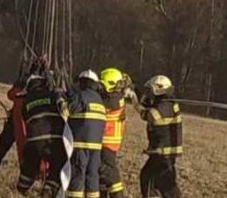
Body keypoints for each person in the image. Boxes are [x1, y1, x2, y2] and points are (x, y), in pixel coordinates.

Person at [129, 75, 183, 198]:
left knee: (163, 184)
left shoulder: (165, 106)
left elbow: (148, 116)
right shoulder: (163, 102)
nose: (151, 93)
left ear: (158, 89)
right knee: (152, 180)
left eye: (152, 89)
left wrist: (135, 102)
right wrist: (134, 89)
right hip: (161, 152)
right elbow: (146, 101)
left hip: (164, 153)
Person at [18, 74, 68, 198]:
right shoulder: (52, 95)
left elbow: (25, 118)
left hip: (32, 141)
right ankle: (48, 190)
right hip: (52, 141)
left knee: (30, 164)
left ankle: (21, 187)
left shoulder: (26, 101)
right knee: (59, 163)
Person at [64, 70, 107, 198]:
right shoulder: (100, 100)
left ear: (82, 83)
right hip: (96, 147)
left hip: (80, 145)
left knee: (78, 175)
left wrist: (61, 98)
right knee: (92, 176)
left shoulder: (80, 96)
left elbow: (65, 110)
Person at [0, 81, 26, 180]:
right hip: (27, 123)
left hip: (16, 120)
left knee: (1, 149)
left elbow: (11, 94)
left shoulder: (24, 81)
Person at [99, 68, 130, 198]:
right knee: (102, 174)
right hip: (111, 141)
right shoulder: (118, 97)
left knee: (108, 171)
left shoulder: (110, 101)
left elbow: (96, 104)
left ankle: (118, 195)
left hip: (107, 141)